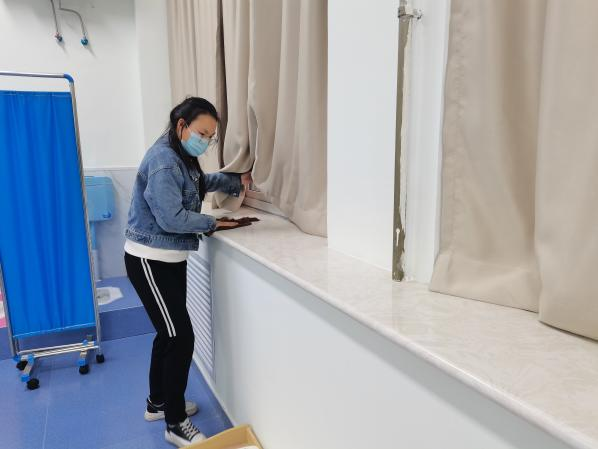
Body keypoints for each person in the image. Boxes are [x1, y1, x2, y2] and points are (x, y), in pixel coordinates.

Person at [124, 97, 252, 447]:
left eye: (210, 137)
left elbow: (198, 183)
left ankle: (158, 403)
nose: (205, 141)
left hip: (168, 259)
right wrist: (214, 223)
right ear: (181, 126)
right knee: (180, 338)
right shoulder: (164, 160)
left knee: (168, 335)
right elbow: (171, 218)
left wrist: (232, 181)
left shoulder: (180, 156)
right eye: (202, 133)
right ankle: (175, 422)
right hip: (150, 260)